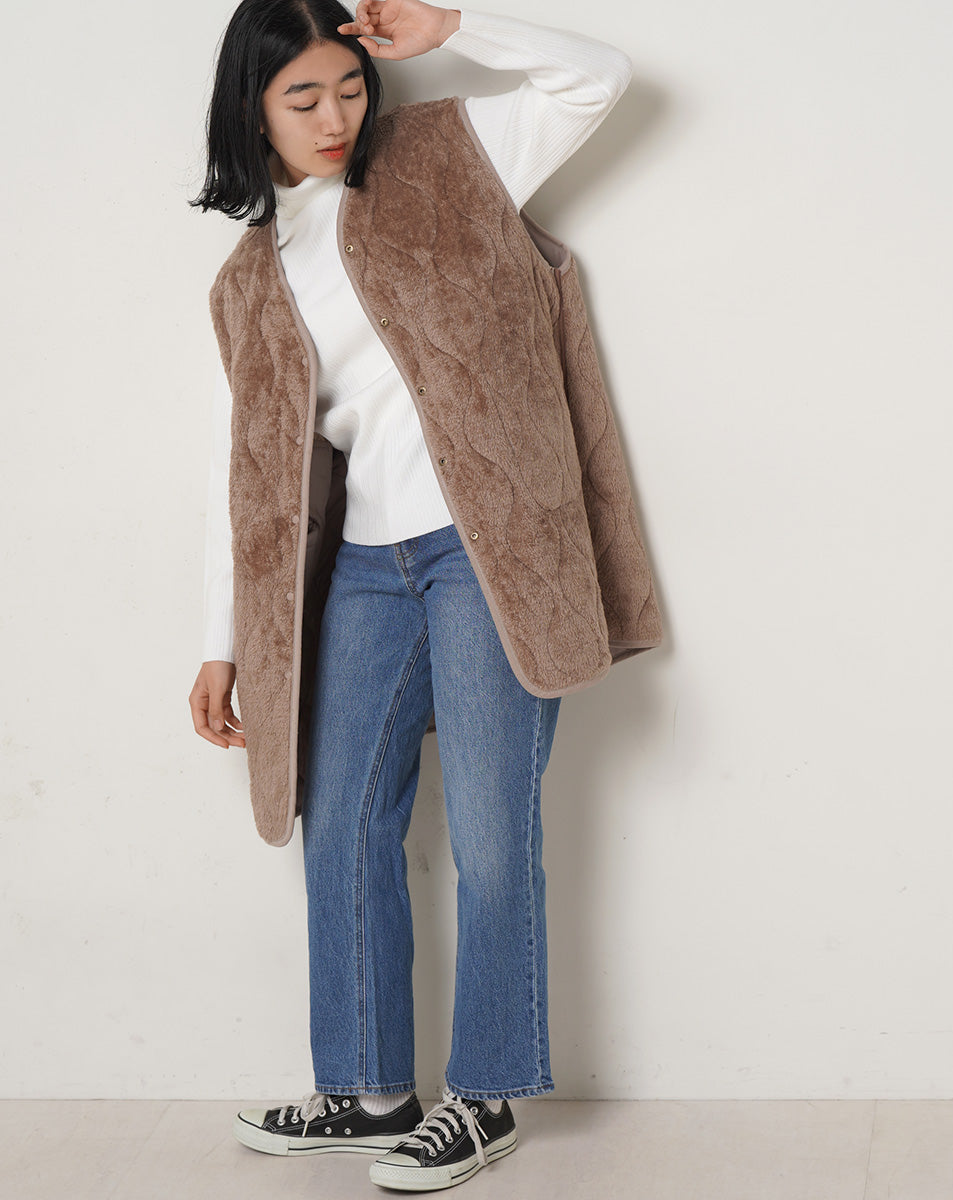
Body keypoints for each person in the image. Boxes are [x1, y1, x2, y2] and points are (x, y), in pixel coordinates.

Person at [188, 0, 660, 1190]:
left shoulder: (452, 155)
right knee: (341, 824)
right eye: (302, 98)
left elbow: (598, 78)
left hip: (487, 550)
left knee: (494, 834)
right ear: (251, 108)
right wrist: (221, 640)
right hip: (362, 569)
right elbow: (246, 477)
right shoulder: (249, 277)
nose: (334, 118)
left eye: (348, 88)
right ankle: (365, 1091)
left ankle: (486, 1097)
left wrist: (457, 25)